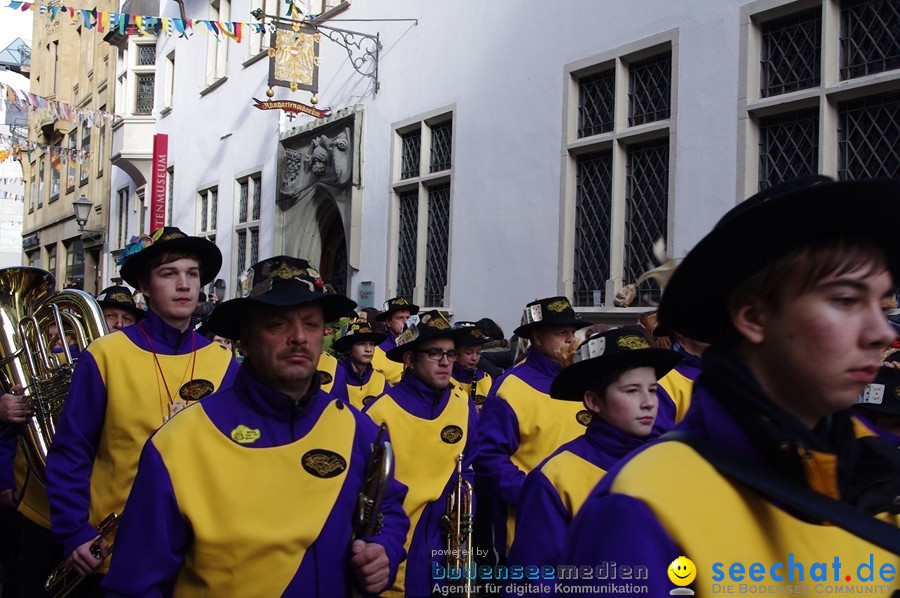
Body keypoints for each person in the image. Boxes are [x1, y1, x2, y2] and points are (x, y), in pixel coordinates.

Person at [564, 176, 900, 595]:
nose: (881, 333)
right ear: (754, 316)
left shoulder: (879, 468)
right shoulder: (644, 507)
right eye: (845, 300)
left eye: (884, 304)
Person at [102, 256, 409, 596]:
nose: (298, 338)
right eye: (277, 325)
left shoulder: (356, 429)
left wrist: (384, 549)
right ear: (244, 341)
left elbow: (390, 507)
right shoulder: (179, 442)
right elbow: (135, 582)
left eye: (310, 324)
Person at [44, 227, 240, 593]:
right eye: (169, 274)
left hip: (197, 552)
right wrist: (73, 531)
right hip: (114, 546)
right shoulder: (106, 355)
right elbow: (72, 451)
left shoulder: (224, 361)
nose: (184, 285)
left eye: (192, 274)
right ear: (145, 288)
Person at [505, 328, 680, 595]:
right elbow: (535, 580)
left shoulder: (669, 466)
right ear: (594, 401)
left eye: (653, 390)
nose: (648, 403)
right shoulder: (555, 477)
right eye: (632, 391)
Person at [363, 311, 478, 598]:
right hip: (393, 550)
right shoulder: (379, 414)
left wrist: (465, 507)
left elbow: (470, 467)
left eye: (451, 354)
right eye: (434, 353)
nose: (444, 362)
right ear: (410, 360)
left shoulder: (463, 406)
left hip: (443, 551)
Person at [475, 296, 591, 555]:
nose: (571, 339)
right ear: (537, 338)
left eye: (572, 332)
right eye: (561, 332)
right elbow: (489, 459)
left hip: (584, 522)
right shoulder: (511, 388)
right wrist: (534, 496)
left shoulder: (584, 381)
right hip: (530, 529)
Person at [331, 319, 387, 410]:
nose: (368, 349)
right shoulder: (335, 376)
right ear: (348, 349)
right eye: (361, 344)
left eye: (372, 344)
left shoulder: (380, 379)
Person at [371, 297, 419, 385]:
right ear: (388, 322)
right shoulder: (376, 349)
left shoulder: (419, 345)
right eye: (400, 318)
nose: (405, 322)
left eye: (408, 318)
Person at [449, 321, 493, 412]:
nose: (474, 358)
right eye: (468, 353)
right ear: (455, 352)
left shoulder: (485, 379)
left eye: (478, 353)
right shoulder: (446, 377)